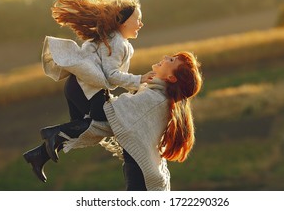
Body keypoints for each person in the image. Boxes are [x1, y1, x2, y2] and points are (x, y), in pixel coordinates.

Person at [23, 0, 154, 174]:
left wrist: (135, 89)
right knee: (101, 123)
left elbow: (114, 75)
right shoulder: (118, 43)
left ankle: (38, 156)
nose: (141, 24)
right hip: (87, 88)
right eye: (138, 19)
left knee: (80, 130)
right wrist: (140, 79)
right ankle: (51, 133)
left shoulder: (110, 38)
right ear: (124, 21)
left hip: (76, 85)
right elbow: (112, 75)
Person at [24, 51, 203, 191]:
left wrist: (100, 83)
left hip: (142, 176)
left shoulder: (157, 100)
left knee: (90, 92)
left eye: (171, 61)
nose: (165, 57)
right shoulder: (157, 94)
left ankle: (54, 137)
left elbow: (115, 114)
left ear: (172, 78)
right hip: (137, 168)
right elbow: (116, 121)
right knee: (87, 92)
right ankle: (42, 152)